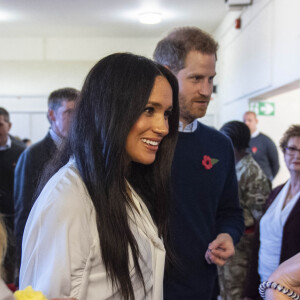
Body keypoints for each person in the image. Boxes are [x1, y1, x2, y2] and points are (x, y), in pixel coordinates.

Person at [19, 53, 179, 300]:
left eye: (166, 113)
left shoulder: (119, 185)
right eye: (149, 110)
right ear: (110, 110)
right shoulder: (68, 199)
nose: (163, 128)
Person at [153, 26, 244, 299]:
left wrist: (227, 235)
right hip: (145, 287)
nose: (206, 91)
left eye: (210, 79)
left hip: (201, 286)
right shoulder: (144, 142)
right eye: (196, 78)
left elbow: (231, 212)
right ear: (167, 74)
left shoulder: (219, 145)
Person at [14, 87, 79, 277]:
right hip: (43, 251)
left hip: (70, 247)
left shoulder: (82, 152)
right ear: (51, 115)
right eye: (69, 112)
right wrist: (23, 268)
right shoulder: (32, 155)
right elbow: (24, 215)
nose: (76, 119)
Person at [244, 124, 300, 300]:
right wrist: (250, 291)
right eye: (292, 149)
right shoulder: (276, 192)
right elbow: (259, 243)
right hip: (263, 284)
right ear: (284, 152)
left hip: (289, 291)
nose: (297, 155)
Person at [219, 121, 271, 300]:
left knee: (236, 292)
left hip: (242, 248)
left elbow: (261, 219)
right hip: (229, 242)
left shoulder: (252, 173)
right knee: (226, 291)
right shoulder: (233, 166)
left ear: (233, 143)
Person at [0, 107, 25, 284]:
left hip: (14, 218)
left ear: (9, 125)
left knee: (11, 263)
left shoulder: (22, 152)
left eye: (0, 124)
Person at [243, 111, 279, 182]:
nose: (246, 123)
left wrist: (268, 180)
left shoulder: (266, 141)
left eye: (249, 120)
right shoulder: (240, 141)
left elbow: (275, 165)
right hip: (245, 184)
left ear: (256, 121)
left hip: (262, 184)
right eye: (244, 120)